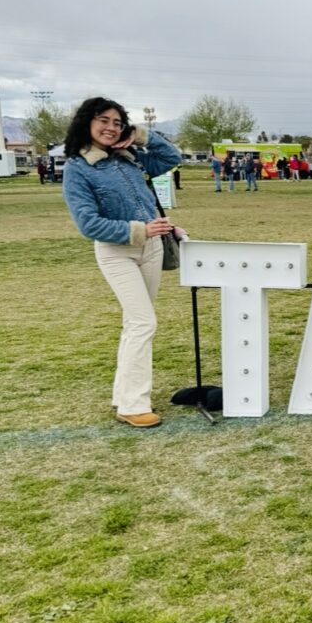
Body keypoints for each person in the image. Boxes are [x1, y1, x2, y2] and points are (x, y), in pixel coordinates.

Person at [61, 97, 183, 428]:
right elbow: (88, 224)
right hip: (117, 252)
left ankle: (124, 395)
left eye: (117, 122)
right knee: (144, 322)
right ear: (86, 122)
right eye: (103, 120)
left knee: (136, 324)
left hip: (153, 249)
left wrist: (143, 136)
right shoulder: (77, 168)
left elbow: (173, 157)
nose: (110, 128)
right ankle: (132, 404)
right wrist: (140, 229)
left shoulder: (132, 159)